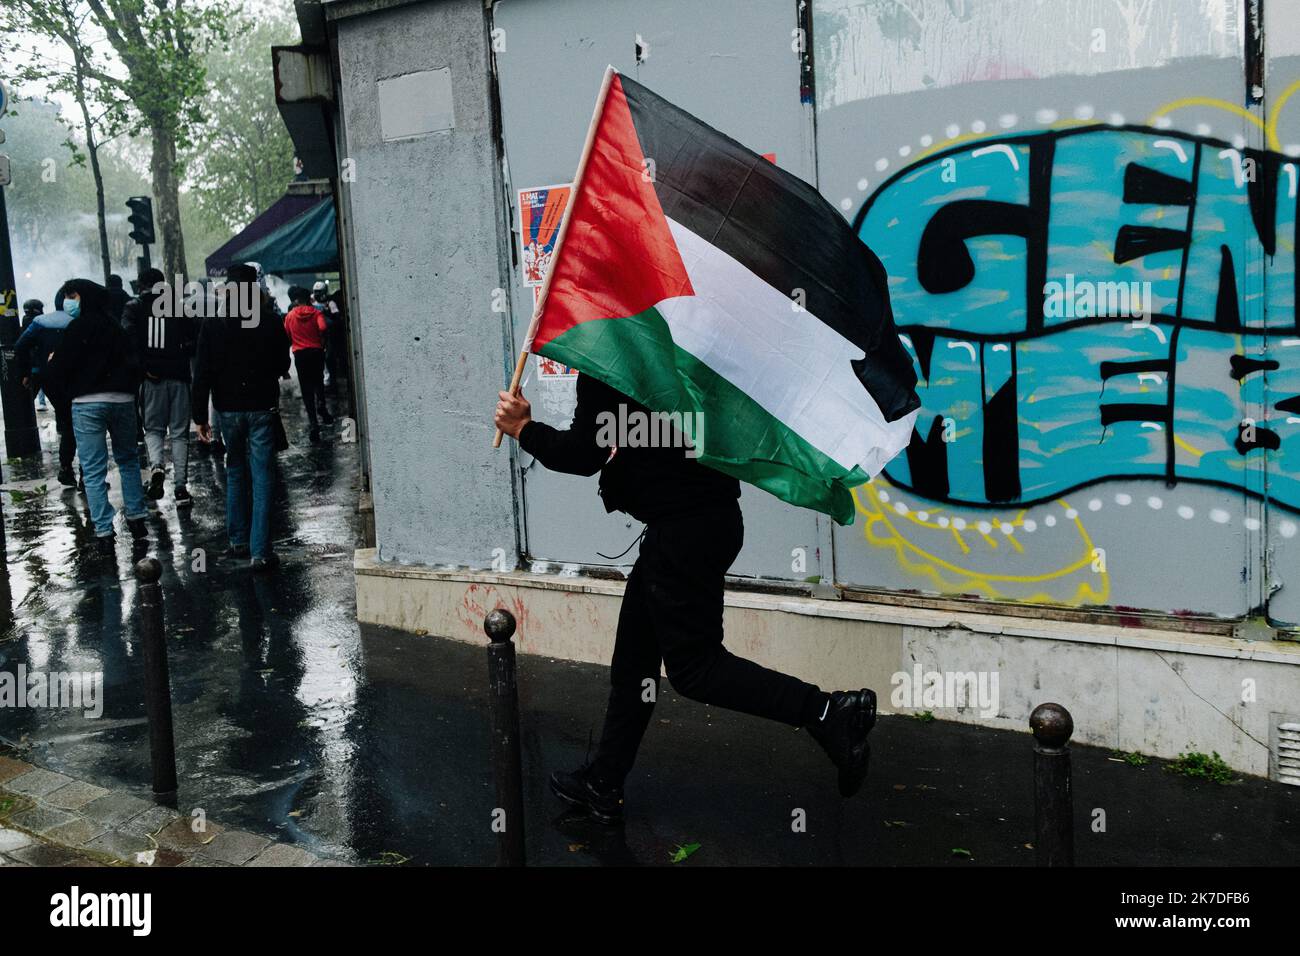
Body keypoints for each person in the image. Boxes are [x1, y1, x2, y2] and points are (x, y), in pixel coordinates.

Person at [494, 374, 877, 824]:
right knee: (634, 665)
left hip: (683, 532)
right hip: (701, 522)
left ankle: (829, 711)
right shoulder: (676, 348)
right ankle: (603, 782)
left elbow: (583, 455)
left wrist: (523, 429)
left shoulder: (610, 362)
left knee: (696, 670)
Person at [192, 264, 290, 571]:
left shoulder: (213, 325)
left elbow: (202, 374)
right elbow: (281, 365)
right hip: (261, 407)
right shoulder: (271, 321)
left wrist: (200, 418)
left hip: (227, 410)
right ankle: (260, 551)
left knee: (234, 470)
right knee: (262, 475)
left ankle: (238, 539)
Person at [44, 279, 148, 553]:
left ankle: (103, 531)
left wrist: (67, 399)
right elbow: (136, 364)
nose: (69, 301)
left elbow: (57, 372)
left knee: (93, 469)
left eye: (71, 295)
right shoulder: (116, 329)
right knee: (128, 460)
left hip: (87, 403)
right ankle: (137, 518)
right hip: (122, 400)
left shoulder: (76, 329)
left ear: (83, 297)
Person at [124, 267, 196, 507]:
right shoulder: (178, 306)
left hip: (151, 379)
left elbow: (128, 342)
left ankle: (157, 465)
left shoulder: (134, 308)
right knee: (179, 433)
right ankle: (181, 487)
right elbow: (194, 338)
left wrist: (143, 368)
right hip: (179, 376)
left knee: (153, 429)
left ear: (141, 285)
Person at [14, 297, 77, 483]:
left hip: (48, 377)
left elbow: (20, 346)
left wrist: (26, 371)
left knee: (67, 424)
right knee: (82, 426)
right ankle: (85, 476)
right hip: (77, 379)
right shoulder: (78, 322)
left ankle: (66, 468)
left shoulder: (40, 323)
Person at [284, 285, 333, 444]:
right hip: (317, 352)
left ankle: (313, 423)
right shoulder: (316, 313)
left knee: (306, 388)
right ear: (308, 299)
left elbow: (286, 335)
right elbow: (324, 327)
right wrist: (322, 341)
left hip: (300, 354)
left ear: (297, 300)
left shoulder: (290, 316)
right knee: (318, 381)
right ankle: (321, 404)